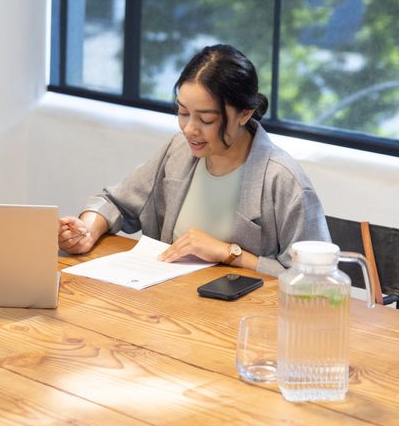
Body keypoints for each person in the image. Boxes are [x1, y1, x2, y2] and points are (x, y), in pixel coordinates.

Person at [57, 44, 328, 275]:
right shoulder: (178, 151)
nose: (189, 129)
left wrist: (229, 253)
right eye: (183, 112)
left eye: (206, 119)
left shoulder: (283, 180)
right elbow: (115, 202)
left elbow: (314, 277)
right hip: (170, 310)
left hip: (240, 324)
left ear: (245, 114)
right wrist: (87, 230)